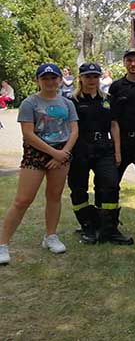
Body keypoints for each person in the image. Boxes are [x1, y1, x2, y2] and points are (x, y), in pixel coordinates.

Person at [0, 64, 78, 265]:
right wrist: (54, 153)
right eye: (45, 78)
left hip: (62, 153)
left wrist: (64, 153)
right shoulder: (30, 103)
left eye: (54, 78)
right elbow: (28, 133)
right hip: (37, 153)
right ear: (38, 80)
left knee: (54, 196)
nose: (50, 82)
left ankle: (50, 236)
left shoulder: (67, 103)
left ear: (60, 80)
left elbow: (74, 130)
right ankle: (2, 245)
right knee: (23, 200)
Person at [68, 63, 133, 245]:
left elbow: (114, 125)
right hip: (80, 148)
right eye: (88, 76)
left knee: (110, 186)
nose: (91, 80)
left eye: (95, 76)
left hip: (104, 148)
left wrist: (118, 151)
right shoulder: (72, 100)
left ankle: (109, 228)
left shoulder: (107, 99)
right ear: (80, 78)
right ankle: (88, 226)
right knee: (79, 188)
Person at [108, 49, 135, 226]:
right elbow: (113, 120)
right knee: (112, 181)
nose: (133, 64)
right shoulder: (116, 87)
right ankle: (110, 220)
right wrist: (117, 150)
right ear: (124, 63)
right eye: (129, 60)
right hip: (123, 142)